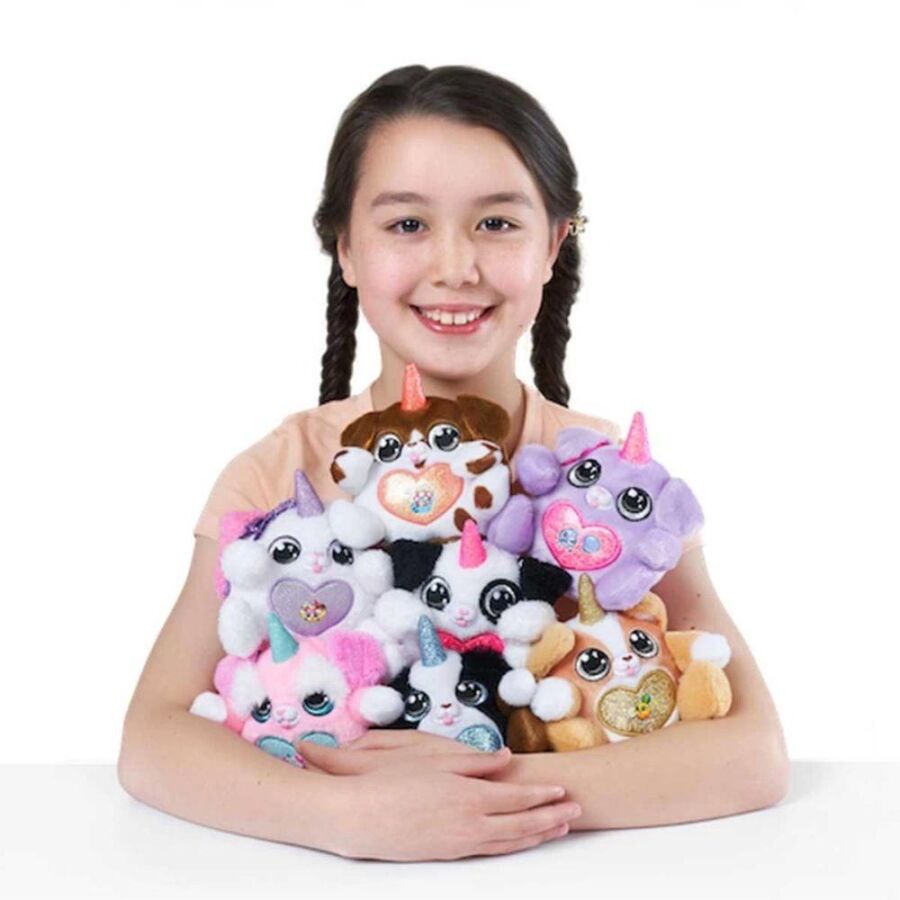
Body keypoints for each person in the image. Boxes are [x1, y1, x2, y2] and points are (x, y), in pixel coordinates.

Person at [117, 64, 789, 862]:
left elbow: (751, 753)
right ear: (346, 249)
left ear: (554, 244)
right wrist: (345, 817)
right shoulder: (279, 472)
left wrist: (473, 793)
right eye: (406, 224)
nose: (455, 267)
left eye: (497, 223)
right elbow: (153, 739)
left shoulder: (607, 482)